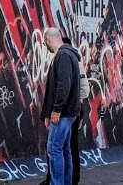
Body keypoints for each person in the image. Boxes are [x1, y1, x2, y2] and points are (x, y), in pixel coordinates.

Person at [40, 27, 82, 185]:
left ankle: (57, 183)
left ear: (49, 40)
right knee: (64, 150)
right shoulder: (69, 54)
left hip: (63, 113)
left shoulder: (63, 55)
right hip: (68, 112)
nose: (46, 46)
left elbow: (63, 84)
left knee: (54, 149)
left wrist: (56, 110)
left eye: (45, 43)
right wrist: (47, 113)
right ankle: (65, 182)